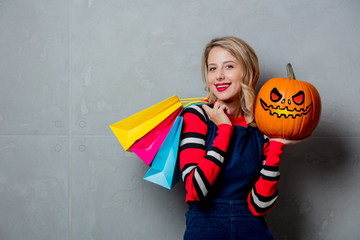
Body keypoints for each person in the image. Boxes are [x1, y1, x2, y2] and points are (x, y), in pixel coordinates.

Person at [179, 36, 305, 240]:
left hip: (252, 229)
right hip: (204, 227)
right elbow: (196, 188)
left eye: (228, 66)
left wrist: (275, 147)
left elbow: (260, 206)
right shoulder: (197, 115)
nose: (219, 76)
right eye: (212, 68)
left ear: (248, 72)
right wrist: (225, 130)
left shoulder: (262, 126)